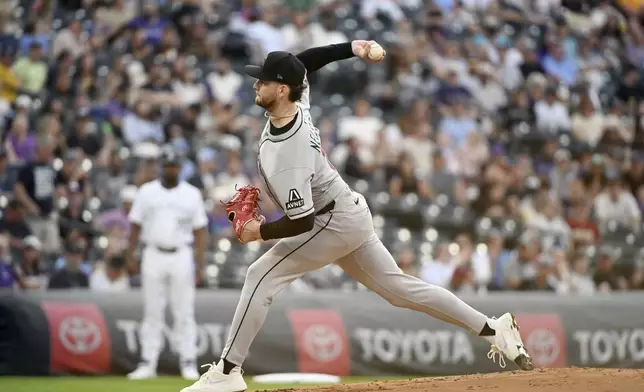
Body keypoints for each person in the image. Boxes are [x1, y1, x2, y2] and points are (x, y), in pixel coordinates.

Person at [181, 41, 533, 392]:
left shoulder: (289, 151)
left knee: (260, 274)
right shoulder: (297, 102)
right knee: (399, 289)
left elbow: (302, 222)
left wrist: (259, 231)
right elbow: (302, 63)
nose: (256, 85)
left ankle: (228, 371)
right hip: (345, 212)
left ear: (282, 89)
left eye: (263, 81)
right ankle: (493, 328)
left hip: (329, 222)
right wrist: (353, 47)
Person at [126, 147, 208, 381]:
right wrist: (130, 254)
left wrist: (200, 262)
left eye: (174, 166)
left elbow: (200, 229)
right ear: (161, 167)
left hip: (181, 253)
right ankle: (148, 362)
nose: (170, 169)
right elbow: (135, 225)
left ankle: (188, 361)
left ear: (179, 168)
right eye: (167, 166)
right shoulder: (146, 192)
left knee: (184, 311)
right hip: (152, 253)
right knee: (152, 311)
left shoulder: (191, 194)